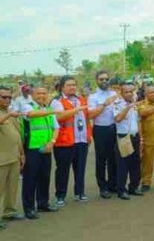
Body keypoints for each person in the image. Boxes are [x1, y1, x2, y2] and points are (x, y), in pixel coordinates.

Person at [50, 76, 92, 206]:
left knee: (80, 169)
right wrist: (75, 110)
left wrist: (88, 135)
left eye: (74, 84)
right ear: (62, 87)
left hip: (81, 140)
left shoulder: (81, 100)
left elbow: (86, 119)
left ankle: (79, 192)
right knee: (63, 170)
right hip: (64, 141)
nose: (72, 87)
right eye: (69, 85)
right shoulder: (57, 101)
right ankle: (60, 195)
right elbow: (59, 117)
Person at [21, 86, 59, 219]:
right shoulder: (28, 106)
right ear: (32, 94)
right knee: (30, 179)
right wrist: (50, 111)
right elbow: (31, 115)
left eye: (44, 93)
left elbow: (56, 128)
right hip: (32, 149)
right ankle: (29, 208)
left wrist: (52, 142)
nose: (41, 96)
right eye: (38, 93)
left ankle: (43, 203)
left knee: (45, 177)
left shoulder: (48, 110)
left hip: (46, 148)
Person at [87, 71, 119, 199]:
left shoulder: (115, 94)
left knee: (114, 158)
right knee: (101, 160)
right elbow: (91, 115)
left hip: (114, 128)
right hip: (100, 130)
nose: (104, 81)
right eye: (101, 79)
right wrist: (104, 104)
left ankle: (113, 185)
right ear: (96, 81)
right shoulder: (93, 97)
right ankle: (103, 187)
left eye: (106, 78)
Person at [0, 86, 25, 229]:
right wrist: (10, 115)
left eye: (10, 97)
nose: (8, 100)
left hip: (14, 157)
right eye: (4, 97)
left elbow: (17, 135)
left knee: (12, 187)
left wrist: (22, 154)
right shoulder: (8, 114)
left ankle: (9, 211)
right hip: (2, 159)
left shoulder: (9, 112)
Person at [113, 84, 143, 200]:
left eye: (131, 91)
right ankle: (121, 190)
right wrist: (128, 107)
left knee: (135, 163)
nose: (129, 94)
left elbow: (138, 121)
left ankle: (134, 187)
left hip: (135, 136)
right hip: (123, 137)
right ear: (121, 93)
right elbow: (117, 119)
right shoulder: (117, 104)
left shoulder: (136, 105)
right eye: (126, 92)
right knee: (123, 165)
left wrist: (141, 138)